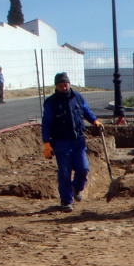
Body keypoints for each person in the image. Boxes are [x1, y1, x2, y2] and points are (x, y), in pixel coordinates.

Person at [41, 72, 103, 212]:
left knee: (83, 168)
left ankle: (76, 188)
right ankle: (66, 201)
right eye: (61, 85)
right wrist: (46, 143)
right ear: (56, 86)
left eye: (66, 84)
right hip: (61, 142)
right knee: (65, 172)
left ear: (69, 84)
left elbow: (86, 111)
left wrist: (95, 121)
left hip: (78, 140)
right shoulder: (51, 102)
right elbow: (46, 124)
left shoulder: (77, 97)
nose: (64, 87)